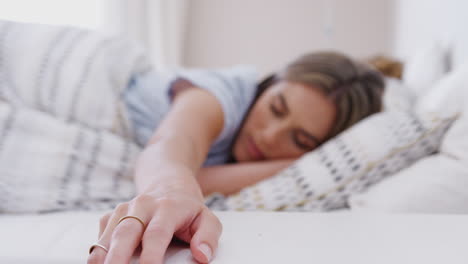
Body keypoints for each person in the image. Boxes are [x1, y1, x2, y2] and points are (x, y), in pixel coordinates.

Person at [87, 51, 384, 264]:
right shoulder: (222, 96)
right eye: (276, 108)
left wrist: (298, 164)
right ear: (267, 86)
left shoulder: (286, 161)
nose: (269, 136)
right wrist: (170, 190)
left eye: (299, 139)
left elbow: (198, 177)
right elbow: (175, 142)